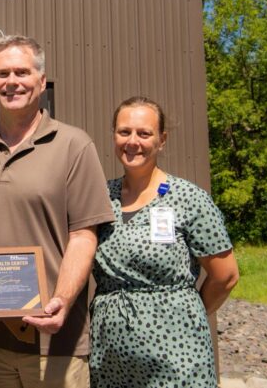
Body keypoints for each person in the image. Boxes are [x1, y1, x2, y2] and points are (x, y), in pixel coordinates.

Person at [0, 35, 115, 388]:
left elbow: (83, 235)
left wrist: (62, 302)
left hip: (55, 340)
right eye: (1, 73)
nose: (11, 82)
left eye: (22, 72)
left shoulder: (74, 145)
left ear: (41, 80)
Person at [89, 96, 239, 387]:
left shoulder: (188, 199)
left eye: (144, 133)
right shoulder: (101, 198)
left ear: (162, 140)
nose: (133, 141)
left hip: (175, 355)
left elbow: (226, 276)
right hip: (111, 357)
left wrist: (181, 312)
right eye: (124, 132)